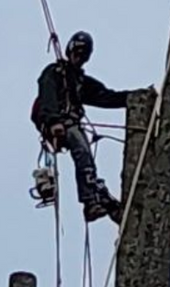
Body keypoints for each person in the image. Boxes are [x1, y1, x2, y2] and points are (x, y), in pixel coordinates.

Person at [32, 30, 134, 223]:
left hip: (71, 125)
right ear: (70, 49)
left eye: (84, 54)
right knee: (83, 153)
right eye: (77, 52)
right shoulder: (54, 73)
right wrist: (53, 121)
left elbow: (105, 96)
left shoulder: (79, 81)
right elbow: (47, 95)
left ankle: (105, 201)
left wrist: (132, 98)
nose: (79, 57)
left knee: (86, 158)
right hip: (59, 124)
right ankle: (89, 202)